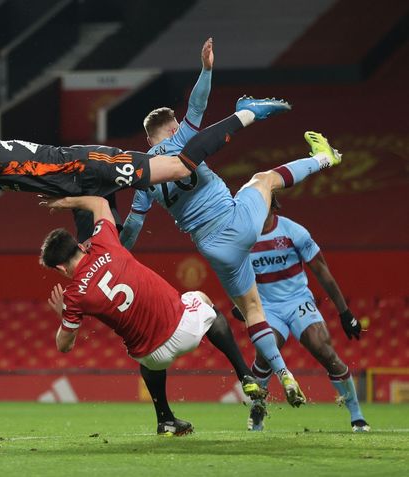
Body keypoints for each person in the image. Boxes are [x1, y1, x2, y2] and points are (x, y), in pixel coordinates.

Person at [119, 45, 344, 406]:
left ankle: (283, 374)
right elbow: (198, 105)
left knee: (253, 310)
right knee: (265, 179)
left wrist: (116, 253)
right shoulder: (183, 139)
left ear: (148, 141)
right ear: (174, 128)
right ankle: (323, 158)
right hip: (235, 221)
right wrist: (206, 70)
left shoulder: (145, 173)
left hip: (212, 248)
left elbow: (132, 226)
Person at [0, 88, 291, 241]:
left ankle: (246, 113)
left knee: (180, 166)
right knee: (94, 247)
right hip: (80, 184)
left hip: (89, 168)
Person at [38, 195, 267, 435]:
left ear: (61, 268)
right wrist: (66, 202)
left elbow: (63, 346)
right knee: (201, 299)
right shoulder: (105, 241)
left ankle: (165, 419)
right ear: (78, 245)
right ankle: (245, 374)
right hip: (185, 330)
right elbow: (100, 203)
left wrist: (63, 313)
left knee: (146, 356)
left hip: (153, 356)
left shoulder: (74, 296)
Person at [231, 196, 370, 432]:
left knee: (323, 350)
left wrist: (344, 312)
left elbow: (322, 271)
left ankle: (357, 415)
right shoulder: (244, 238)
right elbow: (234, 274)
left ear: (274, 207)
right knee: (265, 353)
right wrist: (241, 303)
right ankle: (257, 410)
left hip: (297, 301)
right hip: (267, 306)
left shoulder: (294, 232)